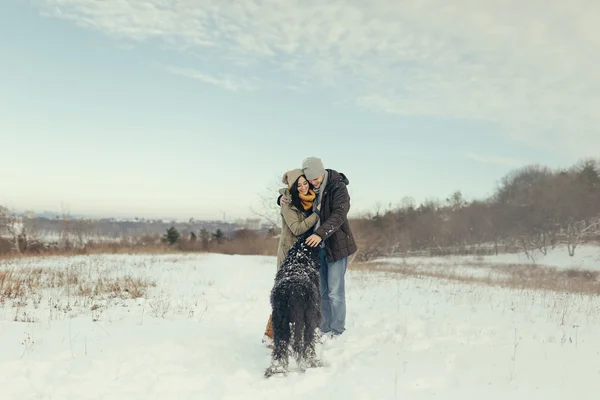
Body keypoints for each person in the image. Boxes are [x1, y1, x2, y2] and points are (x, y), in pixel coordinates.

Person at [279, 157, 357, 337]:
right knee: (320, 291)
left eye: (315, 179)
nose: (313, 183)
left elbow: (339, 214)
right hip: (315, 249)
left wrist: (320, 233)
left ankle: (338, 330)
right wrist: (281, 198)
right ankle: (325, 327)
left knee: (335, 291)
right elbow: (294, 196)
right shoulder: (311, 190)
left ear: (322, 172)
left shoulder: (338, 187)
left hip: (336, 245)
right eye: (310, 180)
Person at [262, 168, 321, 348]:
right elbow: (296, 229)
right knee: (283, 294)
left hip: (303, 253)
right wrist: (316, 214)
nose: (303, 187)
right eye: (299, 185)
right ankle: (271, 335)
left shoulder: (309, 199)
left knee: (302, 297)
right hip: (289, 252)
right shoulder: (287, 202)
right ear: (291, 187)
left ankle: (302, 335)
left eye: (305, 183)